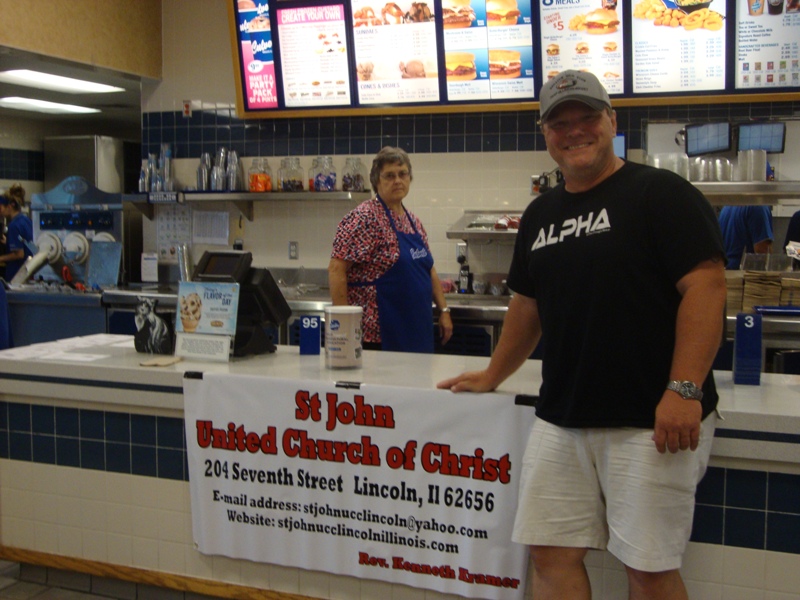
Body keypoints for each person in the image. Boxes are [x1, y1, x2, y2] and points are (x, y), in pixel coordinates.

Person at [437, 70, 727, 600]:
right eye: (559, 123)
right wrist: (493, 373)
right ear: (545, 134)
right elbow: (527, 305)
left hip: (649, 418)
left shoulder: (661, 193)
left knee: (649, 569)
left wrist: (684, 388)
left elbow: (706, 288)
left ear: (611, 121)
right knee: (549, 555)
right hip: (563, 416)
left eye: (586, 117)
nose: (574, 131)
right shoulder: (540, 214)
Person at [329, 146, 452, 353]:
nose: (397, 180)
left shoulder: (413, 221)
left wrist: (444, 310)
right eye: (389, 175)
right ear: (376, 181)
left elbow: (429, 269)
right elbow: (336, 268)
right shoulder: (363, 218)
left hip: (417, 330)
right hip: (379, 335)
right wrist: (345, 326)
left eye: (403, 174)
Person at [718, 205, 773, 269]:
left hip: (725, 270)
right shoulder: (758, 207)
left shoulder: (727, 208)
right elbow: (763, 252)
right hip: (743, 271)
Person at [0, 184, 34, 282]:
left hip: (17, 275)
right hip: (29, 272)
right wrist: (8, 242)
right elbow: (26, 244)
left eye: (0, 208)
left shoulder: (14, 226)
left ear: (9, 206)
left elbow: (19, 254)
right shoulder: (26, 220)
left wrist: (1, 258)